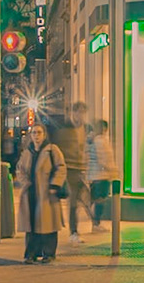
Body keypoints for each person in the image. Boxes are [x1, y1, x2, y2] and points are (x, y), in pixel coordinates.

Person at [13, 122, 68, 263]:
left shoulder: (52, 150)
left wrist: (55, 184)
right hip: (30, 193)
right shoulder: (27, 152)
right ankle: (31, 254)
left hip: (46, 193)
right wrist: (25, 182)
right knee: (31, 225)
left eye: (39, 133)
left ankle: (49, 253)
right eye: (34, 133)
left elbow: (61, 167)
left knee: (48, 225)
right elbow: (20, 169)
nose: (36, 136)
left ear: (44, 135)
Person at [55, 103, 91, 240]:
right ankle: (73, 231)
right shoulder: (65, 129)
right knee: (74, 202)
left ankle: (92, 222)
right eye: (78, 112)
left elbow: (82, 148)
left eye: (83, 113)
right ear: (73, 113)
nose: (81, 115)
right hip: (69, 169)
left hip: (80, 169)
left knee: (84, 198)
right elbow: (60, 150)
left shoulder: (84, 128)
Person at [84, 119, 117, 223]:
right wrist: (112, 170)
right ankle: (96, 222)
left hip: (94, 175)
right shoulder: (100, 141)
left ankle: (95, 222)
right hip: (101, 175)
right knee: (100, 200)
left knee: (96, 199)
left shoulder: (92, 140)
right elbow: (104, 159)